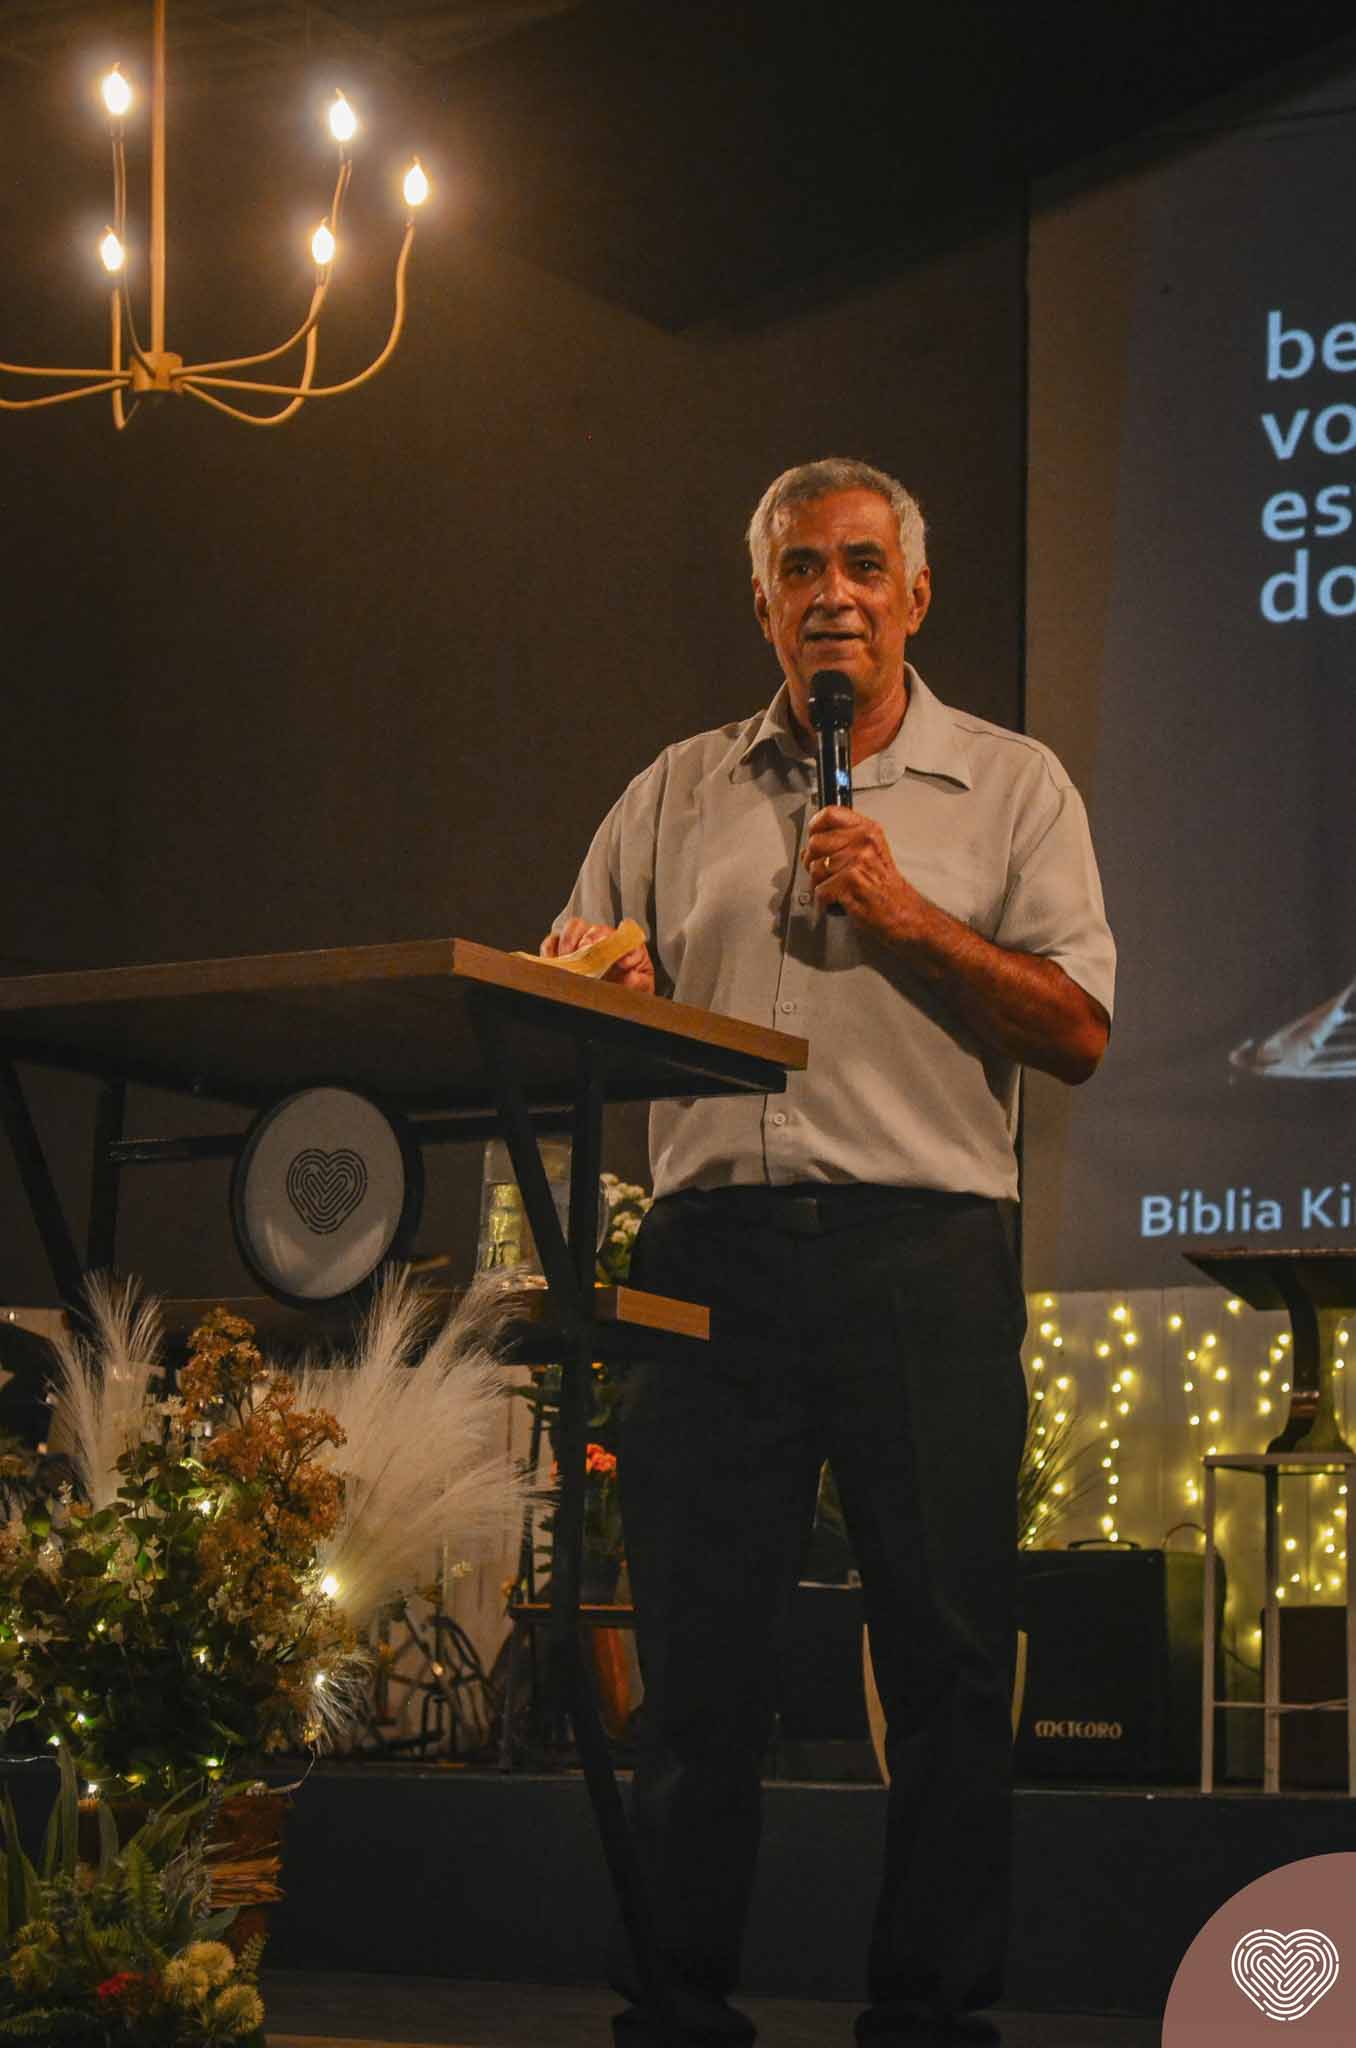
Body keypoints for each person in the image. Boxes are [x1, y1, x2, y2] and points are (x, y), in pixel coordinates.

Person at [541, 457, 1114, 2048]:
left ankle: (928, 2016)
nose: (834, 595)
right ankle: (676, 2009)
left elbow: (1078, 1029)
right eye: (802, 568)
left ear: (916, 596)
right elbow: (571, 975)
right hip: (709, 1254)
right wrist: (605, 983)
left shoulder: (1012, 786)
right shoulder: (674, 792)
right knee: (696, 1659)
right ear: (764, 603)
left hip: (921, 1255)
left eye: (864, 565)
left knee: (944, 1658)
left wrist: (910, 916)